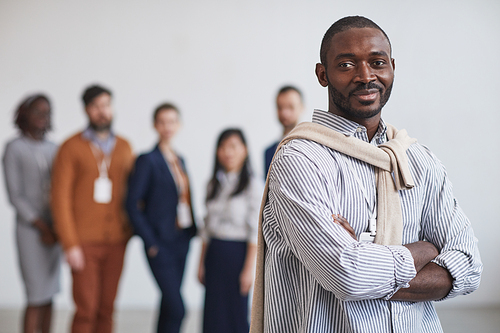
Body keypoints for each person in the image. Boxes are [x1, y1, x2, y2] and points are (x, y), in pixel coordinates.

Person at [250, 16, 482, 333]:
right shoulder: (300, 160)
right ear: (323, 74)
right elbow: (346, 274)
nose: (365, 76)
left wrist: (368, 260)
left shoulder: (418, 159)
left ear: (392, 67)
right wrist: (425, 250)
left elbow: (469, 266)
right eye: (346, 65)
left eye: (377, 62)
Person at [51, 84, 134, 333]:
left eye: (106, 105)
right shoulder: (70, 147)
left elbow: (133, 193)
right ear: (87, 110)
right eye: (96, 106)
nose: (102, 112)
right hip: (83, 242)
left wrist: (129, 231)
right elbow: (60, 199)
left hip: (117, 241)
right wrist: (70, 243)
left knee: (107, 309)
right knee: (86, 309)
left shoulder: (124, 147)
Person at [126, 103, 197, 333]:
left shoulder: (180, 159)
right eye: (162, 122)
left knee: (168, 305)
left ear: (179, 125)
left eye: (172, 121)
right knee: (178, 308)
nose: (167, 127)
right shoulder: (148, 160)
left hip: (181, 240)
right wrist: (150, 242)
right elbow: (132, 204)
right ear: (155, 125)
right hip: (160, 243)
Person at [2, 94, 62, 333]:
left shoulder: (54, 148)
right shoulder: (14, 148)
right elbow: (15, 196)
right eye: (37, 111)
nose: (42, 117)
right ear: (25, 114)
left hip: (54, 229)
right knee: (35, 295)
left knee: (50, 294)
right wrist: (42, 226)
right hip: (31, 231)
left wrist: (58, 225)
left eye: (47, 112)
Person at [198, 129, 263, 333]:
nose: (228, 152)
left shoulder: (253, 185)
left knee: (235, 315)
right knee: (212, 315)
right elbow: (206, 229)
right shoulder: (212, 185)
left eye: (233, 146)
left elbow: (255, 231)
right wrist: (200, 263)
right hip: (215, 253)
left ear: (244, 151)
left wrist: (248, 269)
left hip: (237, 255)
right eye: (223, 147)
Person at [263, 85, 304, 178]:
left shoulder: (312, 147)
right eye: (280, 107)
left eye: (290, 107)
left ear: (302, 108)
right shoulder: (268, 152)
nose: (284, 113)